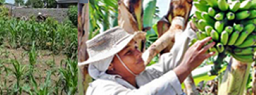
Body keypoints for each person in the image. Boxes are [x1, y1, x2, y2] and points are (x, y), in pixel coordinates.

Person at [79, 21, 215, 94]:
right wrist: (185, 67)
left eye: (136, 48)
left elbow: (171, 62)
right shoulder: (101, 88)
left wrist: (191, 30)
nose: (138, 53)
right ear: (109, 64)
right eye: (129, 52)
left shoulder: (142, 76)